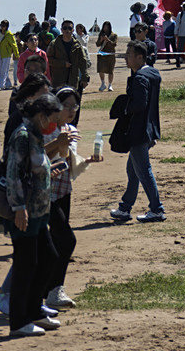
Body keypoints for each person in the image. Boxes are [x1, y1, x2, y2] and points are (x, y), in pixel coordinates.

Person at [5, 93, 64, 336]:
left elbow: (35, 166)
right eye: (53, 118)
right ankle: (19, 321)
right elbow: (14, 174)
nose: (55, 124)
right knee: (25, 265)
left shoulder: (36, 134)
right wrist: (19, 208)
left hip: (39, 212)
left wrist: (50, 172)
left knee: (48, 258)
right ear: (42, 116)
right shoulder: (22, 135)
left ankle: (34, 311)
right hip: (25, 213)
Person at [46, 87, 100, 310]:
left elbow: (69, 163)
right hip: (43, 193)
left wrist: (87, 160)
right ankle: (53, 289)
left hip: (63, 190)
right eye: (66, 105)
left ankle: (49, 290)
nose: (70, 110)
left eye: (74, 106)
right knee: (67, 240)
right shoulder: (46, 129)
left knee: (57, 242)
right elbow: (38, 157)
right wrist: (57, 143)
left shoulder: (71, 129)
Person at [110, 41, 165, 223]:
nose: (126, 57)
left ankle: (156, 209)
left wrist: (124, 108)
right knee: (133, 170)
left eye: (129, 54)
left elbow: (139, 105)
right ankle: (125, 208)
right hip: (149, 128)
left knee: (143, 170)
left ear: (140, 57)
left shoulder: (140, 77)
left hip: (138, 131)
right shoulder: (152, 73)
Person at [48, 20, 89, 124]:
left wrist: (85, 77)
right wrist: (62, 64)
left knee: (74, 105)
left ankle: (73, 126)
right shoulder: (54, 44)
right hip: (58, 81)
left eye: (69, 28)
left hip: (72, 81)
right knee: (58, 104)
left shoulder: (77, 45)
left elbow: (83, 62)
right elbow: (49, 60)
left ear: (73, 30)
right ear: (61, 30)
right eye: (65, 28)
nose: (67, 30)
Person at [0, 19, 19, 90]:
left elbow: (14, 45)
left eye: (4, 26)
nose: (2, 27)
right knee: (3, 69)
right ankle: (8, 84)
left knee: (3, 70)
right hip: (0, 52)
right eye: (1, 25)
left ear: (7, 26)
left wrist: (16, 54)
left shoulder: (9, 34)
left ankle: (1, 85)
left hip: (6, 54)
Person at [95, 21, 117, 91]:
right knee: (101, 69)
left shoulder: (114, 35)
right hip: (102, 54)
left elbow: (114, 44)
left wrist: (108, 40)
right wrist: (101, 40)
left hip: (110, 54)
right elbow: (97, 44)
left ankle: (110, 85)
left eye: (107, 27)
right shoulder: (101, 34)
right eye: (104, 27)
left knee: (110, 70)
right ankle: (102, 83)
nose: (105, 28)